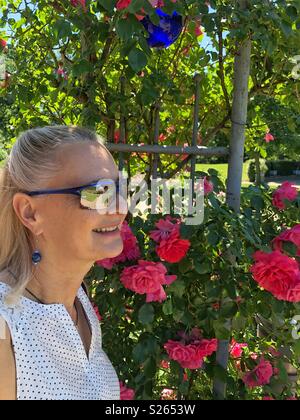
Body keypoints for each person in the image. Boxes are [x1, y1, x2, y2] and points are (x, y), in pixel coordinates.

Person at [0, 125, 128, 400]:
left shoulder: (78, 304)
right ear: (30, 212)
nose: (119, 206)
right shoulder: (5, 330)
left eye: (120, 188)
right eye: (97, 192)